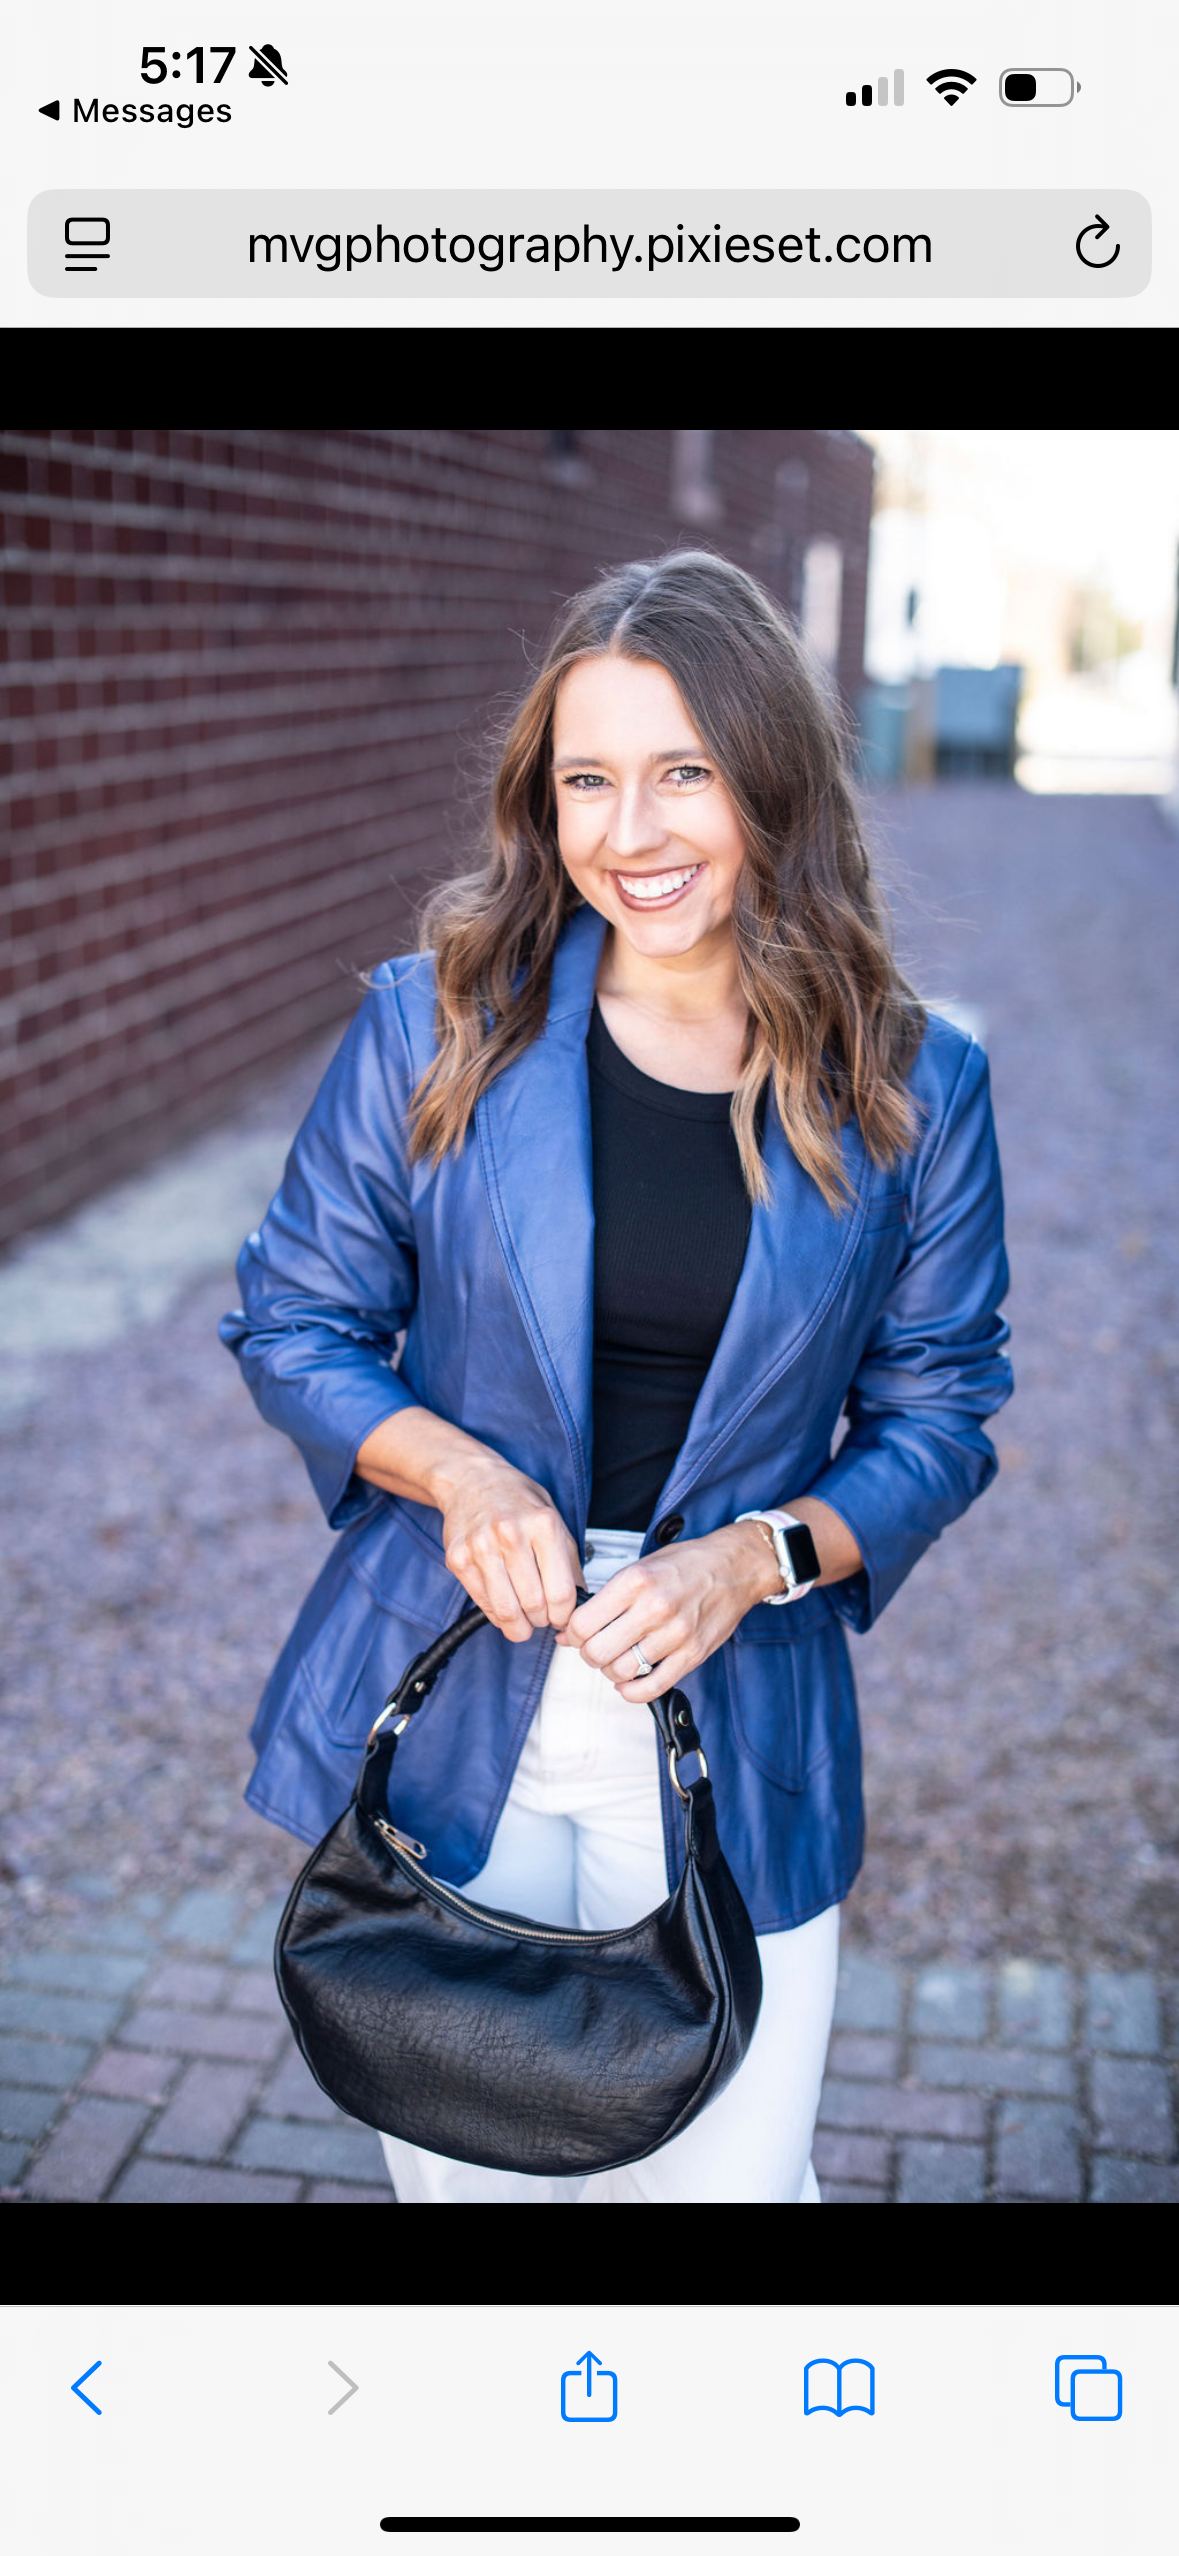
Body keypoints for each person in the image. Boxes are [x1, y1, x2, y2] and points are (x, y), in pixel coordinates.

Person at [220, 547, 1013, 2204]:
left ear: (770, 782)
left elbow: (939, 1411)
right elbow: (295, 1318)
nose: (629, 833)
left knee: (731, 2199)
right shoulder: (437, 1027)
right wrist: (460, 1471)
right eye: (588, 779)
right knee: (465, 2193)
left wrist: (756, 1557)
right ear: (542, 798)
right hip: (454, 1675)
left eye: (683, 775)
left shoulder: (917, 1087)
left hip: (736, 1695)